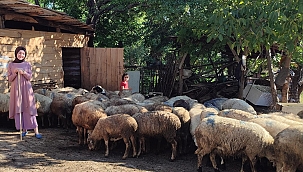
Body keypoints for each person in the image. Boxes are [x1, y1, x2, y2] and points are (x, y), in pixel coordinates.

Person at [7, 46, 42, 139]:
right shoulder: (11, 65)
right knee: (19, 107)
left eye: (23, 53)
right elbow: (9, 79)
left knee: (29, 107)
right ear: (16, 54)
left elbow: (30, 77)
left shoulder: (27, 64)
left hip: (26, 89)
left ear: (25, 55)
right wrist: (15, 72)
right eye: (19, 53)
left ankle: (36, 130)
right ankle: (23, 129)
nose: (21, 55)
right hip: (16, 89)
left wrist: (24, 73)